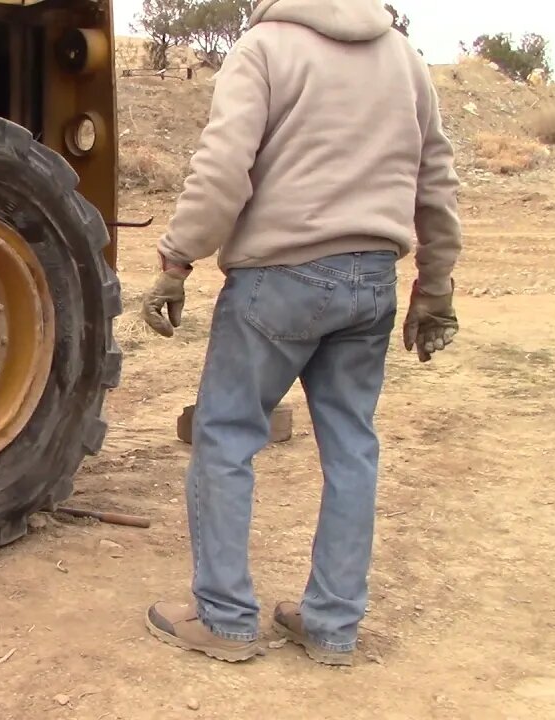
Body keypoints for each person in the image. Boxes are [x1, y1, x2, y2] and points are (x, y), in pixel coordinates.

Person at [140, 0, 462, 666]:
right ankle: (332, 626)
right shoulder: (403, 57)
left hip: (278, 280)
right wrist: (435, 285)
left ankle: (226, 620)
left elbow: (224, 168)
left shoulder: (264, 48)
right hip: (373, 279)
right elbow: (436, 179)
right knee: (352, 446)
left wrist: (177, 258)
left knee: (226, 434)